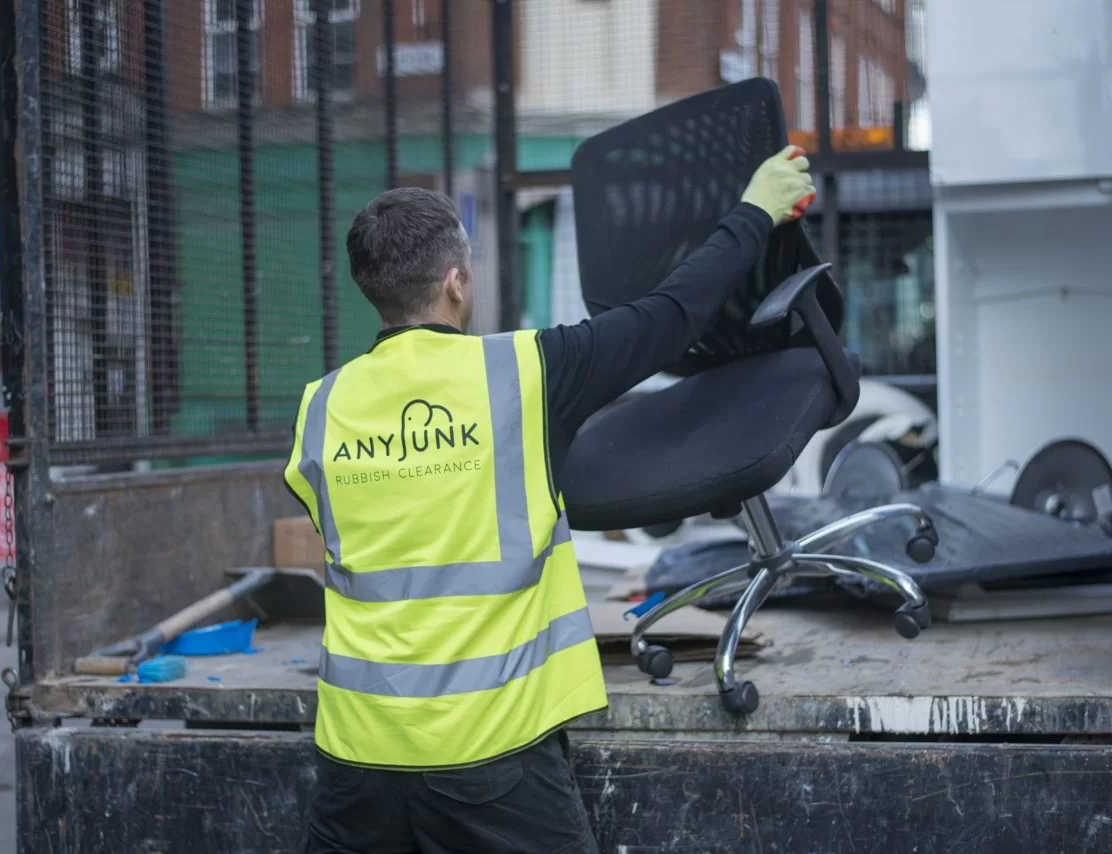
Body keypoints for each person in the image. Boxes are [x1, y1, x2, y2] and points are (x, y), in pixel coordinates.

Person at [284, 146, 815, 853]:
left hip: (357, 754)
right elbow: (671, 314)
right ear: (455, 283)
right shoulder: (525, 372)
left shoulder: (321, 407)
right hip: (490, 752)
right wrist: (757, 209)